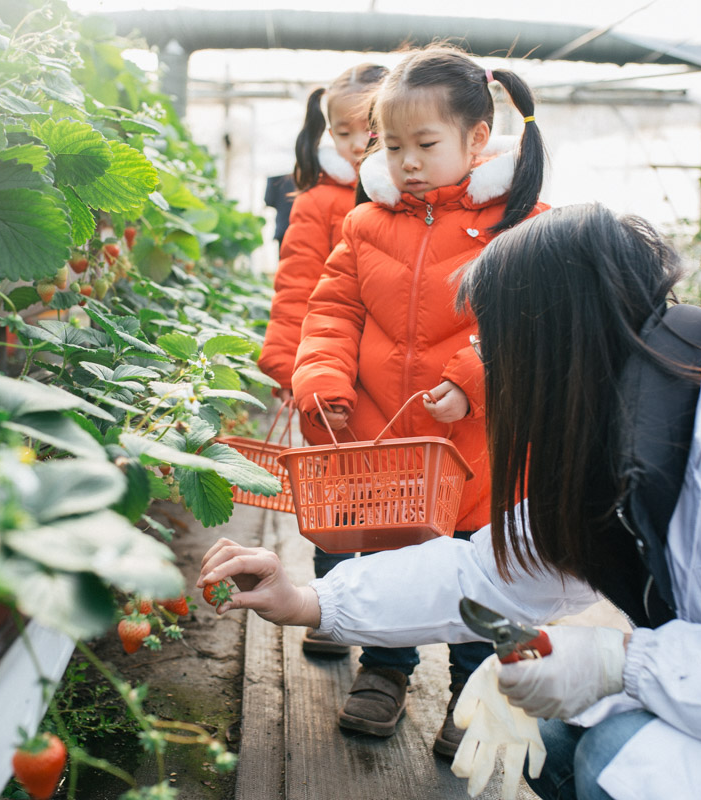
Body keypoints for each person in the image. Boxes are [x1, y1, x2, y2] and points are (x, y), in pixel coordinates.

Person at [200, 204, 701, 799]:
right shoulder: (636, 428)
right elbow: (484, 575)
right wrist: (310, 598)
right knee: (552, 748)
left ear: (558, 342)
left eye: (498, 352)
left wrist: (629, 662)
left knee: (616, 754)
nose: (496, 378)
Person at [288, 45, 549, 758]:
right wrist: (322, 379)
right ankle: (386, 672)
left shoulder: (524, 224)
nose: (405, 161)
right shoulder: (367, 222)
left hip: (482, 447)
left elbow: (538, 322)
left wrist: (472, 379)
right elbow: (332, 310)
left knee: (479, 569)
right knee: (391, 556)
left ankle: (472, 689)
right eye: (392, 144)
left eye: (424, 145)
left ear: (476, 139)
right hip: (392, 440)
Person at [257, 63, 387, 659]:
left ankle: (383, 621)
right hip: (325, 383)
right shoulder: (318, 202)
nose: (358, 144)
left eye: (370, 129)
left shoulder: (407, 203)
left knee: (389, 505)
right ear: (326, 135)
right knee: (334, 506)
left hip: (390, 389)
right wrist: (288, 365)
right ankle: (331, 611)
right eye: (343, 132)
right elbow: (296, 289)